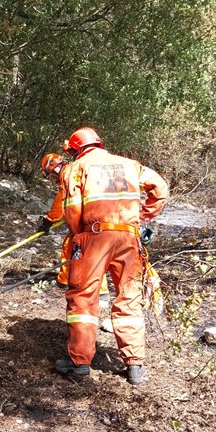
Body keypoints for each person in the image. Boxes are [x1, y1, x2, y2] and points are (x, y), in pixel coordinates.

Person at [54, 127, 168, 385]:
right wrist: (143, 215)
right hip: (128, 237)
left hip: (94, 236)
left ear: (75, 149)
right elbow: (160, 189)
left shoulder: (76, 168)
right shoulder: (130, 164)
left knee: (83, 297)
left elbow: (72, 209)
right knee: (129, 297)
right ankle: (135, 366)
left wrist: (77, 235)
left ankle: (80, 363)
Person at [38, 152, 110, 299]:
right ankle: (65, 280)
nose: (52, 178)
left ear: (56, 167)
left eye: (51, 174)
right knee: (69, 245)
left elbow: (60, 202)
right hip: (90, 217)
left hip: (93, 220)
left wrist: (49, 220)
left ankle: (101, 292)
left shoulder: (68, 174)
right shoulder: (75, 171)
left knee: (93, 254)